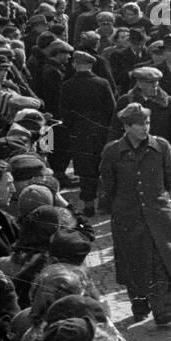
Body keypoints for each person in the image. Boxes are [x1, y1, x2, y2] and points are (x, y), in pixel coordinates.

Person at [99, 103, 171, 327]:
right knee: (134, 260)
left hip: (159, 213)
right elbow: (108, 185)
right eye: (139, 124)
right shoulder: (113, 151)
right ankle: (139, 304)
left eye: (147, 123)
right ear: (126, 127)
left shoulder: (161, 146)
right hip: (128, 215)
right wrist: (118, 207)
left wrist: (163, 201)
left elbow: (170, 176)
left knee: (163, 258)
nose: (144, 128)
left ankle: (164, 308)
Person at [57, 51, 116, 217]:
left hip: (79, 132)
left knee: (85, 169)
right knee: (104, 165)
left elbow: (64, 112)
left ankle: (89, 204)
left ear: (75, 65)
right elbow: (112, 108)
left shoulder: (67, 85)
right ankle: (107, 203)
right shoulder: (102, 83)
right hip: (101, 131)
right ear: (91, 65)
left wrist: (72, 128)